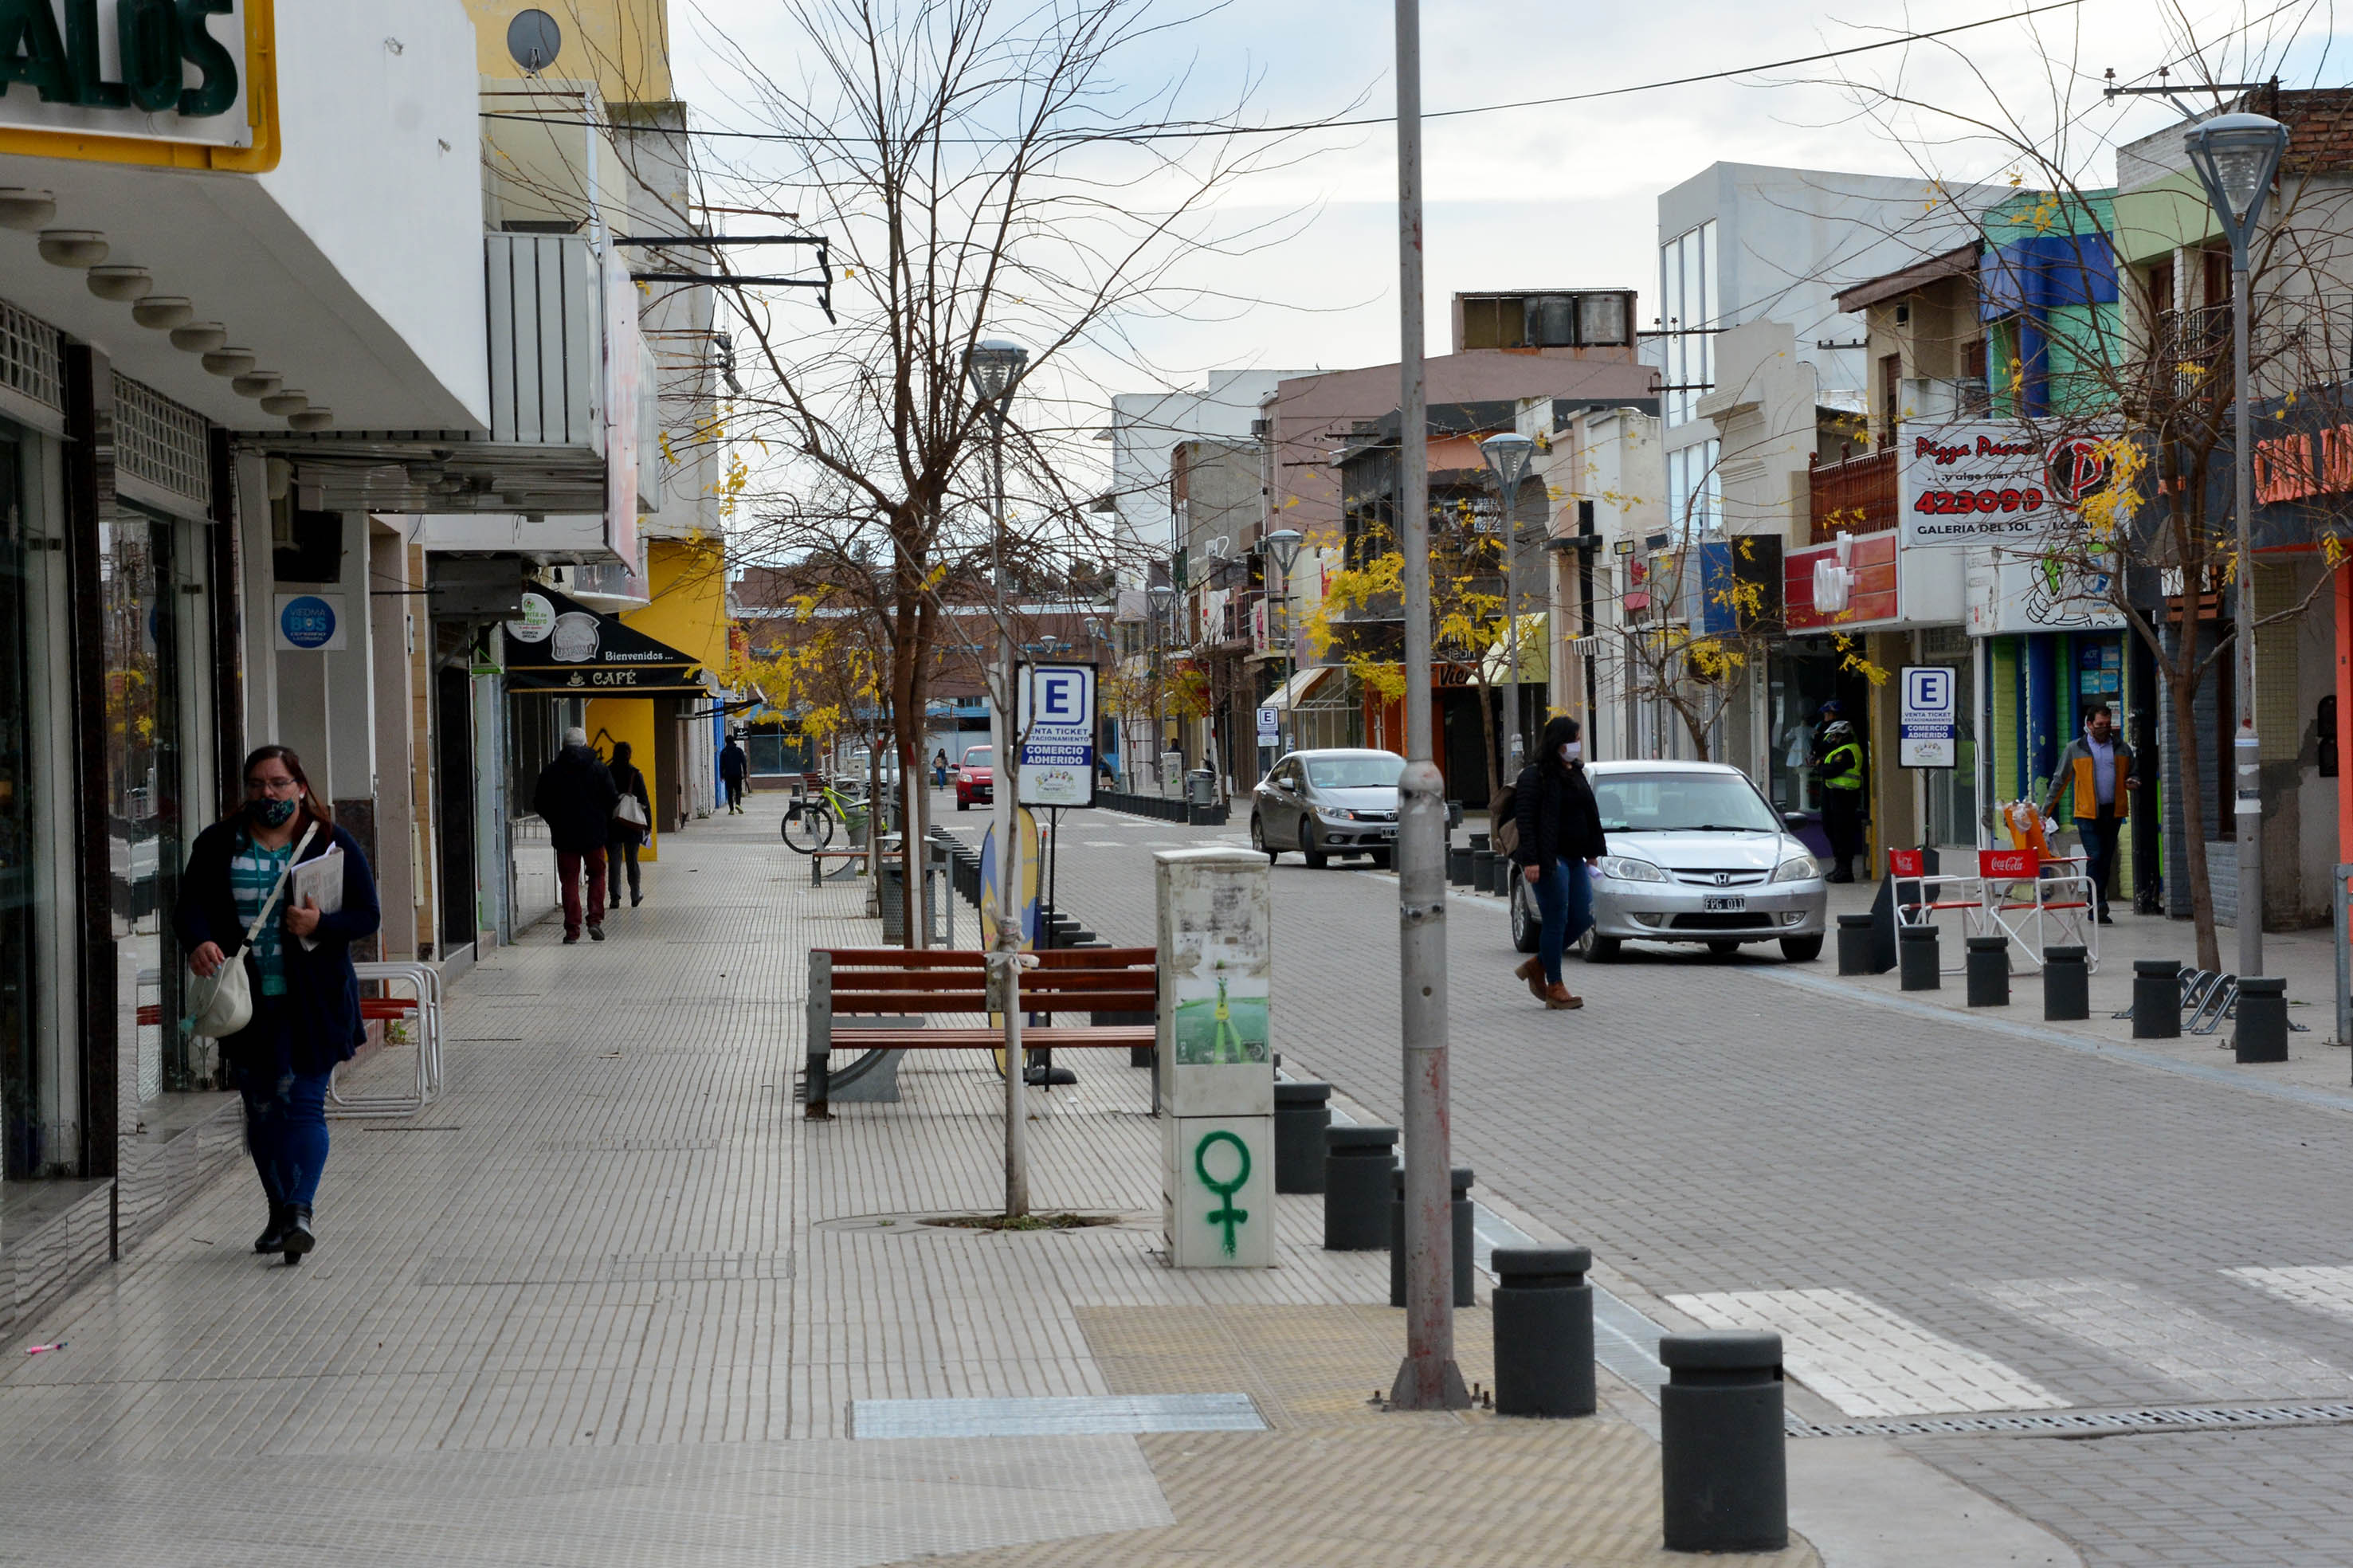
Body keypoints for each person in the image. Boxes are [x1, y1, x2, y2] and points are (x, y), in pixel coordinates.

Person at [175, 745, 380, 1264]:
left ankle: (299, 1213)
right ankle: (279, 1212)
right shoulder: (220, 843)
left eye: (278, 783)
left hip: (312, 1000)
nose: (267, 793)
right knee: (263, 1107)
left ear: (301, 787)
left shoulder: (331, 843)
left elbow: (366, 915)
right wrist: (198, 941)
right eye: (256, 784)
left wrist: (322, 926)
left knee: (305, 1102)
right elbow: (190, 905)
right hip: (245, 1002)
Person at [1511, 715, 1608, 1010]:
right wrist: (1531, 860)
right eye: (1574, 739)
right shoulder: (1535, 776)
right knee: (1556, 919)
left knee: (1583, 917)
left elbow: (1589, 813)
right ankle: (1554, 985)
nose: (1578, 745)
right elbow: (1526, 821)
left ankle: (1538, 963)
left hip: (1576, 857)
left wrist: (1592, 851)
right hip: (1549, 859)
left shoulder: (1576, 772)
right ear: (1559, 742)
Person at [2042, 702, 2137, 924]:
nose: (2104, 728)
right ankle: (2096, 904)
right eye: (2099, 724)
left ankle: (2098, 900)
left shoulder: (2121, 748)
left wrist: (2133, 781)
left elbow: (2133, 772)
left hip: (2112, 812)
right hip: (2086, 813)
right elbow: (2059, 781)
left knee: (2105, 859)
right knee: (2095, 855)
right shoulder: (2075, 749)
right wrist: (2044, 812)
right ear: (2089, 725)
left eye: (2107, 724)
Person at [534, 726, 619, 943]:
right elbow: (612, 799)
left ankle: (572, 930)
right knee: (597, 875)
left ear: (563, 746)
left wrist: (555, 821)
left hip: (565, 837)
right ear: (585, 744)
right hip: (595, 835)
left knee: (569, 881)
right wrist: (601, 820)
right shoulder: (599, 769)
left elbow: (540, 803)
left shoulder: (551, 771)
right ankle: (595, 921)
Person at [1817, 719, 1867, 883]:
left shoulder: (1848, 751)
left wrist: (1821, 765)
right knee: (1832, 830)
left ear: (1842, 735)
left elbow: (1830, 771)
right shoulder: (1840, 749)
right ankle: (1839, 867)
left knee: (1842, 833)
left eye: (1835, 736)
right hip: (1835, 795)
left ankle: (1845, 870)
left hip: (1844, 796)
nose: (1832, 739)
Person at [606, 739, 653, 910]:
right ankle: (635, 894)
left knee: (614, 862)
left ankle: (615, 898)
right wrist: (649, 824)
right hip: (632, 824)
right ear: (629, 755)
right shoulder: (635, 774)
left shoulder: (607, 772)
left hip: (612, 824)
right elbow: (645, 801)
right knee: (632, 861)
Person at [720, 732, 749, 813]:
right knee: (738, 790)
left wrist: (721, 775)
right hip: (737, 774)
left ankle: (731, 810)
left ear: (726, 742)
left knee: (729, 791)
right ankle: (738, 804)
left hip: (728, 775)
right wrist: (745, 772)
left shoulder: (724, 752)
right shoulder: (739, 751)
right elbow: (744, 762)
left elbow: (721, 764)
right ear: (733, 741)